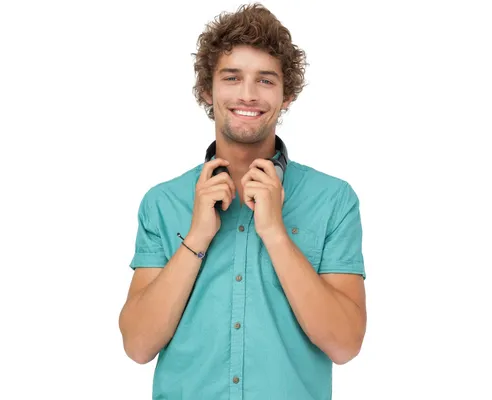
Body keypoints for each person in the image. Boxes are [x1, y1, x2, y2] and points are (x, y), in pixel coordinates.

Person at [119, 3, 367, 399]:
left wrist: (275, 232)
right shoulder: (162, 203)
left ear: (287, 95)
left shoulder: (334, 200)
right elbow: (137, 346)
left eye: (266, 80)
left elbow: (345, 345)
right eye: (232, 77)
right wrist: (197, 237)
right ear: (207, 89)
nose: (248, 94)